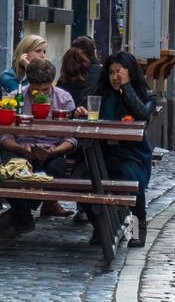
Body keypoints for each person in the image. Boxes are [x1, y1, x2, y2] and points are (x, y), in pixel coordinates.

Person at [0, 58, 76, 229]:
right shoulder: (14, 98)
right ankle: (23, 215)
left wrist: (55, 150)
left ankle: (22, 214)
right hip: (20, 150)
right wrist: (21, 148)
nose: (39, 94)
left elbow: (71, 138)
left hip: (51, 151)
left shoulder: (63, 99)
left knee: (55, 170)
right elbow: (4, 136)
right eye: (35, 90)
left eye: (44, 89)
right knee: (8, 170)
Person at [93, 52, 155, 249]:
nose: (115, 77)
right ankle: (101, 227)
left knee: (131, 177)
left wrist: (127, 87)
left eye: (119, 72)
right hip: (103, 151)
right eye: (111, 72)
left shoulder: (145, 95)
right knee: (86, 176)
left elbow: (142, 113)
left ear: (130, 73)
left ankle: (138, 227)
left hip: (132, 153)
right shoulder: (100, 93)